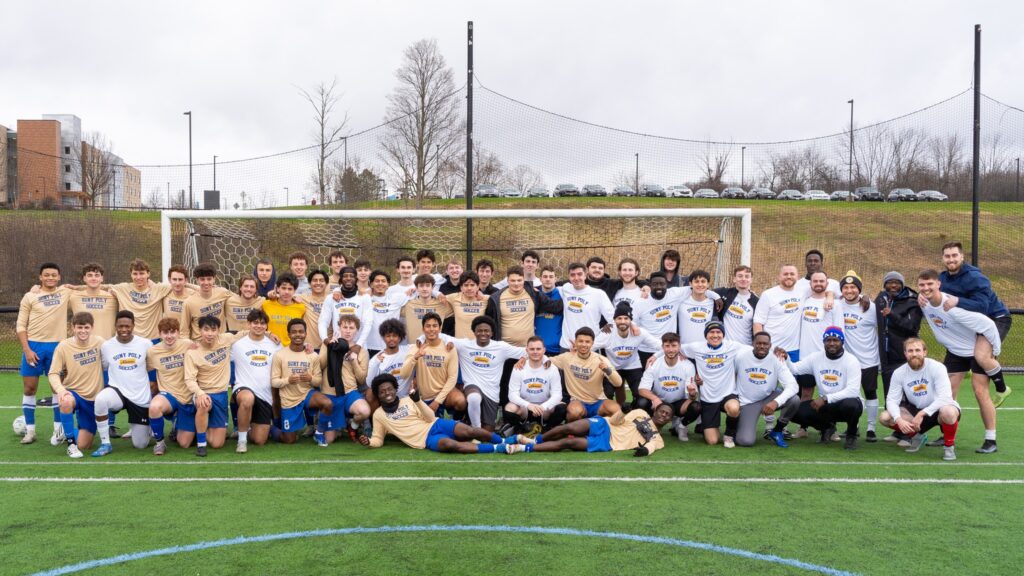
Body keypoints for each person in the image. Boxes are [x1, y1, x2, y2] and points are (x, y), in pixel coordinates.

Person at [917, 269, 1002, 454]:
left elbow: (988, 324)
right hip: (955, 351)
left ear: (939, 284)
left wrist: (994, 350)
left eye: (930, 284)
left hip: (973, 349)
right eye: (922, 285)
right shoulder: (923, 302)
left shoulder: (952, 307)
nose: (926, 288)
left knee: (980, 392)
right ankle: (946, 433)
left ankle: (990, 439)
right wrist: (919, 296)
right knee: (946, 393)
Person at [935, 241, 1012, 406]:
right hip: (970, 324)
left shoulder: (975, 277)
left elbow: (982, 307)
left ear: (962, 256)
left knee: (981, 356)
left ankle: (1002, 388)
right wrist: (922, 297)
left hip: (995, 318)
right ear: (943, 258)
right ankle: (968, 366)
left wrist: (957, 301)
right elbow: (934, 296)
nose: (951, 259)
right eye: (947, 256)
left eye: (955, 255)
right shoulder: (941, 278)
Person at [368, 374, 519, 454]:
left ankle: (504, 441)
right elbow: (377, 440)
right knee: (450, 445)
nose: (387, 393)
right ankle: (495, 449)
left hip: (436, 424)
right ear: (378, 395)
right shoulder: (379, 415)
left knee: (470, 431)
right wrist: (368, 442)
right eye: (382, 391)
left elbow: (429, 417)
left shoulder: (408, 400)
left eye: (389, 389)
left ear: (395, 389)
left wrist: (418, 401)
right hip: (426, 440)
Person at [777, 327, 864, 450]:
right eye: (828, 340)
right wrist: (787, 359)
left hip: (846, 403)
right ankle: (826, 428)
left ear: (842, 342)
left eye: (835, 340)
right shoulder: (816, 357)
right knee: (794, 411)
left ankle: (851, 435)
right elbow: (795, 369)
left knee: (851, 404)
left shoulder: (851, 360)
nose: (832, 343)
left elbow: (853, 390)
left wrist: (826, 398)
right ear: (824, 342)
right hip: (825, 406)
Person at [17, 262, 73, 445]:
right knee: (29, 388)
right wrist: (27, 349)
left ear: (59, 277)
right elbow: (20, 326)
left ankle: (58, 430)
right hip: (34, 346)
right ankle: (30, 430)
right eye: (46, 275)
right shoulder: (30, 296)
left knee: (57, 389)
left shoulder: (65, 292)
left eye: (53, 275)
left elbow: (88, 287)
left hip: (58, 347)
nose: (50, 278)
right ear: (40, 277)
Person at [879, 338, 962, 461]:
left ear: (925, 352)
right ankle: (916, 436)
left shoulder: (937, 367)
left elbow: (945, 397)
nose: (914, 354)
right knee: (885, 417)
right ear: (905, 354)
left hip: (938, 409)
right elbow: (891, 400)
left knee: (948, 412)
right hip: (915, 410)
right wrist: (899, 419)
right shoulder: (899, 373)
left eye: (918, 350)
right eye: (910, 351)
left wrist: (923, 413)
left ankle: (949, 447)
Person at [94, 311, 155, 456]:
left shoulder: (146, 344)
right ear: (115, 326)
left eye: (127, 326)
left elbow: (152, 368)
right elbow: (103, 367)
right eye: (120, 326)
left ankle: (146, 428)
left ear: (133, 325)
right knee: (101, 399)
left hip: (139, 395)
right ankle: (105, 443)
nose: (124, 330)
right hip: (118, 391)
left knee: (140, 445)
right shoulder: (107, 346)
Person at [451, 316, 526, 431]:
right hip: (472, 385)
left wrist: (524, 358)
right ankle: (475, 430)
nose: (483, 333)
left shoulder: (501, 347)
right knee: (474, 398)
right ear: (474, 332)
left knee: (488, 430)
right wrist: (420, 340)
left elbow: (529, 350)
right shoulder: (464, 345)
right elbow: (441, 337)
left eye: (486, 331)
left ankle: (473, 425)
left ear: (492, 333)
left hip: (491, 391)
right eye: (479, 330)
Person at [510, 403, 671, 456]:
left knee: (568, 442)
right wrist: (623, 411)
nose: (663, 415)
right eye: (661, 411)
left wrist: (644, 451)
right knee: (569, 427)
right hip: (605, 424)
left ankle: (525, 447)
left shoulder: (658, 439)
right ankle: (536, 439)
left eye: (667, 415)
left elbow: (651, 446)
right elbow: (616, 421)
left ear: (670, 420)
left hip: (608, 443)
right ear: (655, 410)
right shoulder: (641, 413)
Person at [48, 312, 104, 458]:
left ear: (92, 328)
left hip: (93, 398)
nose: (83, 331)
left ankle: (65, 431)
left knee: (84, 445)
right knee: (65, 401)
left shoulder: (100, 342)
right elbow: (53, 373)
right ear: (73, 328)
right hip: (74, 393)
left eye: (86, 327)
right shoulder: (64, 346)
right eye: (79, 327)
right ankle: (71, 446)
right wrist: (61, 390)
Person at [680, 321, 745, 447]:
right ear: (706, 335)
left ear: (723, 334)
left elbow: (754, 349)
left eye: (718, 332)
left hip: (727, 394)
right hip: (708, 398)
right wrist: (655, 356)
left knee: (734, 407)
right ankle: (690, 425)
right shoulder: (696, 347)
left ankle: (729, 435)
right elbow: (675, 347)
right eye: (711, 332)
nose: (715, 335)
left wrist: (775, 351)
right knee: (712, 441)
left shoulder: (732, 346)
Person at [271, 319, 334, 445]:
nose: (297, 334)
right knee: (289, 440)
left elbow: (318, 382)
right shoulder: (279, 355)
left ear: (305, 334)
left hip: (307, 394)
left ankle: (319, 432)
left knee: (327, 403)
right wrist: (288, 380)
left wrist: (310, 378)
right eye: (294, 332)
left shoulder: (312, 356)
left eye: (301, 331)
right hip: (289, 399)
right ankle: (268, 428)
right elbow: (274, 382)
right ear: (288, 334)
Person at [835, 273, 882, 441]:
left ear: (859, 289)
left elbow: (882, 328)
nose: (849, 290)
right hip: (847, 360)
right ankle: (852, 428)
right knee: (849, 395)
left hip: (868, 358)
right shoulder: (837, 305)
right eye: (846, 287)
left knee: (870, 392)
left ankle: (871, 428)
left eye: (853, 287)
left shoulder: (870, 306)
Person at [184, 316, 238, 456]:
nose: (209, 333)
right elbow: (189, 379)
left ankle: (199, 427)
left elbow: (245, 333)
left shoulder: (226, 339)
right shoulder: (193, 352)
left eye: (213, 330)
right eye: (206, 329)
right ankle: (201, 444)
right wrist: (200, 393)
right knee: (204, 405)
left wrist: (269, 333)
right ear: (199, 330)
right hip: (203, 393)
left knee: (217, 444)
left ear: (218, 331)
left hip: (220, 395)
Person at [735, 331, 799, 448]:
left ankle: (777, 431)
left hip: (768, 398)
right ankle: (738, 425)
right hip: (748, 403)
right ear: (753, 343)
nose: (762, 346)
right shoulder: (741, 356)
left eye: (765, 344)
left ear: (770, 345)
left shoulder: (776, 358)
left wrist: (776, 402)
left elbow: (793, 385)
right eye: (758, 343)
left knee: (794, 399)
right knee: (745, 441)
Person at [230, 309, 281, 452]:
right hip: (244, 388)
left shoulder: (274, 345)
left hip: (265, 395)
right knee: (247, 399)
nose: (258, 326)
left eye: (262, 323)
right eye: (255, 323)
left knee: (259, 440)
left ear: (267, 326)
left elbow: (287, 357)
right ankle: (241, 441)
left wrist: (307, 348)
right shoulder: (237, 344)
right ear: (248, 324)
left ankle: (249, 425)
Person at [594, 302, 661, 408]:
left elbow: (661, 345)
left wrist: (656, 356)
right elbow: (591, 347)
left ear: (631, 320)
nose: (622, 321)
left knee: (643, 400)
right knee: (606, 396)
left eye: (626, 318)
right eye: (619, 318)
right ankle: (609, 420)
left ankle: (633, 413)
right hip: (612, 368)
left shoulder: (639, 332)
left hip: (633, 366)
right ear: (614, 320)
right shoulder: (607, 332)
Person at [399, 313, 466, 416]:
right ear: (423, 329)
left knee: (461, 401)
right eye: (428, 326)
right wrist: (415, 357)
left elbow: (452, 378)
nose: (431, 329)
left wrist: (437, 401)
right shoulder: (417, 347)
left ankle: (456, 420)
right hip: (424, 396)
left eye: (434, 326)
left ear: (440, 328)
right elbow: (403, 374)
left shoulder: (449, 348)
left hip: (445, 394)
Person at [147, 318, 198, 455]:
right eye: (165, 332)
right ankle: (160, 443)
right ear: (160, 334)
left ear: (178, 333)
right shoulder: (153, 351)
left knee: (185, 443)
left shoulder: (188, 344)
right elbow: (143, 370)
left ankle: (178, 423)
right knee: (154, 406)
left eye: (172, 332)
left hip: (187, 397)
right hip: (169, 396)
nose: (169, 336)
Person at [636, 332, 699, 442]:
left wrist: (693, 394)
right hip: (659, 403)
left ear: (679, 346)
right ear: (662, 347)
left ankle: (681, 426)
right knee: (641, 402)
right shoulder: (654, 364)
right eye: (667, 346)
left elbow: (692, 396)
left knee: (696, 406)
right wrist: (655, 399)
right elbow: (642, 389)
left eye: (674, 346)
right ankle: (651, 425)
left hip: (678, 403)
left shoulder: (688, 365)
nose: (670, 350)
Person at [107, 259, 192, 340]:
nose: (138, 277)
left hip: (153, 340)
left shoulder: (159, 288)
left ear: (148, 274)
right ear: (131, 274)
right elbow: (102, 286)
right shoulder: (122, 288)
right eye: (135, 274)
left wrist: (200, 287)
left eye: (142, 273)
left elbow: (179, 284)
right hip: (131, 340)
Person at [551, 327, 623, 421]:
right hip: (578, 401)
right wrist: (525, 357)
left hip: (598, 402)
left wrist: (607, 370)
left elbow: (618, 383)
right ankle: (573, 433)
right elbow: (545, 360)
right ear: (575, 342)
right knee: (574, 412)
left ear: (592, 343)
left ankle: (609, 432)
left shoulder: (600, 359)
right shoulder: (567, 358)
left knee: (616, 410)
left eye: (587, 342)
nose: (584, 344)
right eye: (580, 341)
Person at [319, 314, 370, 446]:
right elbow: (319, 366)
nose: (348, 330)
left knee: (364, 411)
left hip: (349, 393)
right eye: (345, 327)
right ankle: (336, 427)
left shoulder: (361, 351)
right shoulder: (328, 344)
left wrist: (353, 361)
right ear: (339, 328)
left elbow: (361, 379)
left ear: (356, 330)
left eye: (351, 328)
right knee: (329, 440)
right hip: (330, 393)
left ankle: (352, 426)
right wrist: (330, 348)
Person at [502, 336, 566, 436]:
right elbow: (512, 395)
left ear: (544, 350)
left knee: (561, 406)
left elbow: (557, 394)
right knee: (510, 407)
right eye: (532, 349)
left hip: (544, 410)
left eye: (538, 349)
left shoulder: (552, 368)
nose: (535, 352)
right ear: (526, 350)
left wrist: (543, 407)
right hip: (525, 409)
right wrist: (529, 405)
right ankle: (521, 429)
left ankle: (547, 430)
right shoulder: (519, 367)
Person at [875, 271, 923, 400]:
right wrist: (864, 299)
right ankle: (891, 417)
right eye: (889, 282)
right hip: (886, 355)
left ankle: (911, 417)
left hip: (904, 355)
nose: (893, 286)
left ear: (902, 284)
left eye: (896, 283)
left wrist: (892, 315)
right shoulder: (881, 298)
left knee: (909, 392)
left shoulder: (913, 301)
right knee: (889, 394)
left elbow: (912, 327)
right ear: (885, 285)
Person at [753, 265, 805, 361]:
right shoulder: (768, 294)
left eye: (792, 274)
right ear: (779, 276)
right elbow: (758, 322)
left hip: (794, 350)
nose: (789, 276)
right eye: (785, 274)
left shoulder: (803, 292)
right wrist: (762, 346)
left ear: (798, 277)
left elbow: (826, 288)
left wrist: (830, 295)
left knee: (792, 376)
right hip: (773, 349)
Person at [559, 262, 615, 351]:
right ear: (569, 277)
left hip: (589, 349)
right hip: (567, 347)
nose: (576, 278)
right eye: (572, 275)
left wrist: (595, 343)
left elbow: (614, 320)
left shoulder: (598, 294)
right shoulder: (565, 289)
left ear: (586, 275)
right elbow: (548, 286)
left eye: (579, 274)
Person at [320, 266, 373, 348]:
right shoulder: (331, 298)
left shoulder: (364, 297)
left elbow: (368, 323)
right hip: (337, 343)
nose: (348, 278)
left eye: (351, 276)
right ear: (340, 279)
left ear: (356, 279)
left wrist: (358, 345)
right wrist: (326, 340)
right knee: (322, 359)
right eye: (345, 276)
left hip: (358, 344)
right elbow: (323, 322)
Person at [181, 262, 234, 339]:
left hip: (220, 343)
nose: (206, 283)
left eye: (209, 279)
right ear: (197, 280)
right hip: (200, 345)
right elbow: (184, 331)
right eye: (202, 279)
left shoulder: (222, 293)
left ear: (214, 279)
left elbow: (239, 299)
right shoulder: (189, 303)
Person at [69, 263, 118, 339]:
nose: (93, 278)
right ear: (84, 278)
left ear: (102, 278)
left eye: (97, 275)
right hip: (84, 345)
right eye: (90, 275)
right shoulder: (73, 297)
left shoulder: (113, 297)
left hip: (107, 344)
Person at [713, 265, 759, 346]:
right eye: (740, 276)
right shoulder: (724, 293)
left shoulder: (756, 302)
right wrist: (716, 297)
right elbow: (704, 291)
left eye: (747, 276)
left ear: (751, 280)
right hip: (725, 346)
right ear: (734, 279)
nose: (743, 279)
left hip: (745, 347)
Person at [400, 274, 453, 343]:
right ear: (416, 288)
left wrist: (438, 294)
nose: (424, 289)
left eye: (428, 285)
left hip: (434, 347)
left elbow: (459, 309)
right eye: (421, 286)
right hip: (413, 346)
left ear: (432, 287)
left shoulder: (442, 304)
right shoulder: (408, 304)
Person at [367, 319, 413, 398]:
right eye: (388, 336)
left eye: (394, 336)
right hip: (387, 398)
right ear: (383, 338)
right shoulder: (376, 359)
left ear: (400, 337)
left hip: (406, 397)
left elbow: (424, 341)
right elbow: (369, 383)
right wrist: (376, 364)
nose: (391, 339)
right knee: (369, 394)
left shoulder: (409, 350)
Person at [364, 270, 406, 357]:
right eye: (377, 281)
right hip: (370, 346)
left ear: (388, 285)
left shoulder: (397, 298)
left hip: (391, 346)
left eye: (383, 281)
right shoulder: (364, 299)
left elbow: (421, 290)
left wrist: (438, 294)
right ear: (371, 284)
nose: (380, 283)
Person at [262, 272, 306, 347]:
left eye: (290, 289)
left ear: (294, 290)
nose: (286, 292)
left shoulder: (301, 307)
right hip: (270, 346)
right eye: (283, 288)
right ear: (277, 288)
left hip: (291, 348)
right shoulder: (266, 304)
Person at [676, 270, 717, 346]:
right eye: (696, 281)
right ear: (690, 284)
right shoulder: (681, 301)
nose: (700, 284)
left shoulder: (714, 303)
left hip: (705, 351)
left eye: (703, 281)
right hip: (684, 351)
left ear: (708, 284)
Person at [443, 271, 488, 339]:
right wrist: (436, 294)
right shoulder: (454, 298)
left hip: (478, 344)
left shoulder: (485, 299)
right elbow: (434, 296)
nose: (469, 288)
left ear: (478, 286)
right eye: (466, 285)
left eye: (472, 285)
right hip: (460, 345)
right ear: (461, 287)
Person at [534, 265, 563, 356]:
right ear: (540, 279)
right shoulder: (534, 294)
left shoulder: (563, 294)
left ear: (556, 279)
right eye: (545, 276)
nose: (548, 279)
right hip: (536, 349)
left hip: (557, 349)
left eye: (551, 277)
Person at [297, 269, 329, 351]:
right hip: (309, 347)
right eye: (315, 280)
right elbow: (285, 295)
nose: (318, 283)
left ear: (326, 283)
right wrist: (273, 294)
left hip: (328, 345)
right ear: (309, 284)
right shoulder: (303, 298)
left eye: (321, 280)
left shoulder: (332, 299)